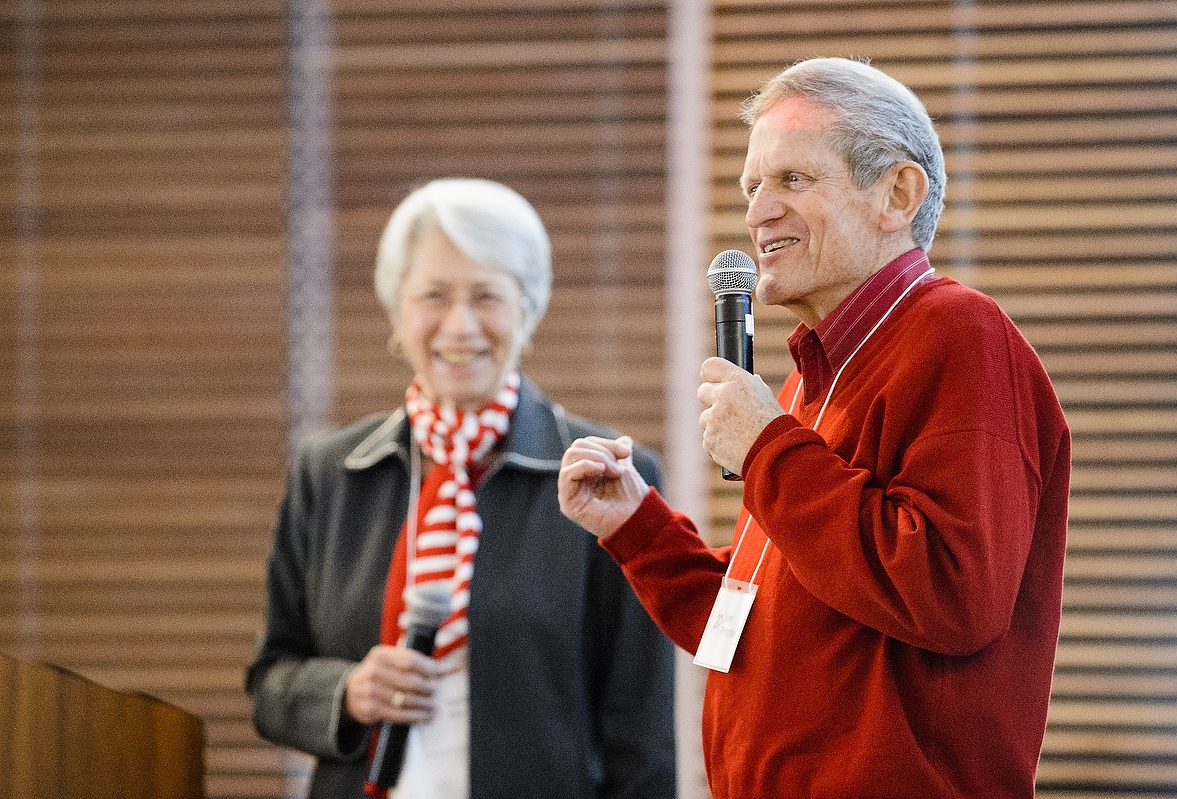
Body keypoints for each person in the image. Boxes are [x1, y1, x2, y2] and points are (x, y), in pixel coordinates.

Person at [558, 57, 1071, 799]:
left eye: (792, 180)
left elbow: (953, 593)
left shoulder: (959, 335)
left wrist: (769, 449)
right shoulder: (808, 385)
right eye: (752, 187)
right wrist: (637, 526)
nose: (758, 211)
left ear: (897, 194)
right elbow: (753, 630)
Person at [246, 177, 676, 798]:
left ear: (528, 308)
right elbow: (270, 683)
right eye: (434, 296)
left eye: (486, 296)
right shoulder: (330, 473)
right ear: (397, 311)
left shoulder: (604, 475)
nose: (460, 325)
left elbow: (642, 732)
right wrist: (345, 692)